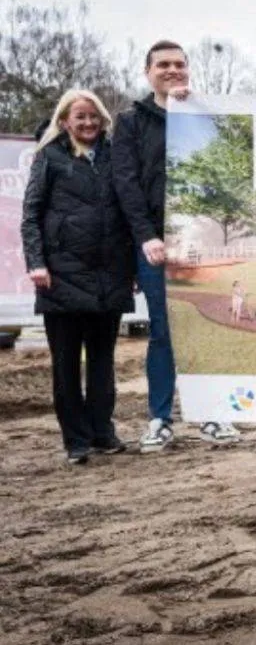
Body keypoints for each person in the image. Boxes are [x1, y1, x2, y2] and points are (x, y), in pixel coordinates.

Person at [112, 40, 241, 450]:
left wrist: (198, 111)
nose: (173, 70)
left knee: (207, 327)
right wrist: (146, 235)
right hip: (156, 246)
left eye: (180, 65)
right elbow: (126, 183)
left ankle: (212, 414)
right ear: (148, 72)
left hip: (203, 241)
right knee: (164, 332)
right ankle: (160, 418)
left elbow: (229, 168)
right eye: (163, 64)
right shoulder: (131, 121)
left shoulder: (207, 115)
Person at [20, 90, 135, 464]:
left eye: (93, 117)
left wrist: (131, 267)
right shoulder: (48, 157)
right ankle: (76, 440)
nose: (87, 123)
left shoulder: (117, 157)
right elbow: (31, 215)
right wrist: (37, 262)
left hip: (110, 273)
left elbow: (130, 211)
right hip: (61, 277)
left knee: (103, 360)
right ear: (65, 120)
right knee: (66, 363)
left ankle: (103, 431)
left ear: (103, 119)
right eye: (80, 117)